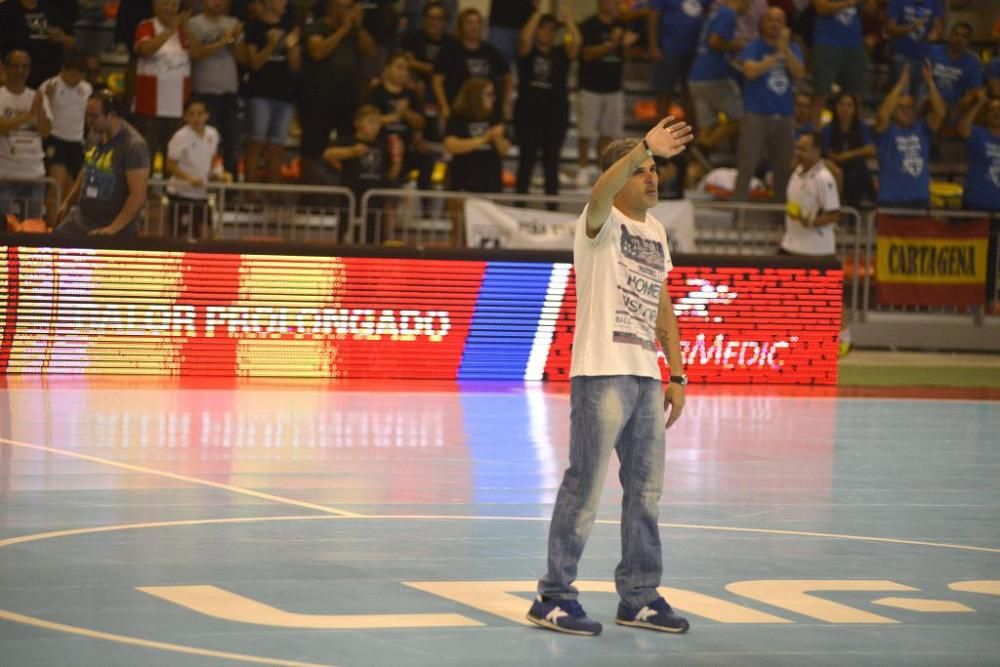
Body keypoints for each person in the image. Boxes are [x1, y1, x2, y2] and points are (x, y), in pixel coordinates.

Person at [525, 115, 694, 637]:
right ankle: (554, 596)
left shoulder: (657, 231)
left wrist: (678, 374)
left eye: (655, 170)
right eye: (642, 170)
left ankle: (639, 596)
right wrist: (643, 144)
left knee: (645, 491)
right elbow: (600, 191)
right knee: (586, 487)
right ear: (621, 178)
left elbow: (662, 301)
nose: (653, 177)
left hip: (645, 375)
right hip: (600, 373)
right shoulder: (598, 222)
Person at [733, 7, 806, 203]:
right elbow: (750, 71)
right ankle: (738, 212)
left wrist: (785, 50)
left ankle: (780, 215)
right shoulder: (753, 47)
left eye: (779, 21)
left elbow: (799, 73)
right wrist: (775, 57)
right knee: (747, 165)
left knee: (783, 168)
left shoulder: (793, 49)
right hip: (756, 114)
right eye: (770, 20)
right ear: (763, 24)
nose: (774, 24)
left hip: (784, 115)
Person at [301, 0, 377, 184]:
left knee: (349, 147)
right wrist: (343, 29)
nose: (349, 11)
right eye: (345, 6)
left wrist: (357, 28)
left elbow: (370, 51)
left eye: (352, 6)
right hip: (319, 99)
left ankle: (346, 193)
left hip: (349, 100)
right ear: (332, 6)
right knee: (313, 149)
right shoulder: (317, 28)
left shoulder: (356, 31)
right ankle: (310, 195)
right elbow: (318, 52)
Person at [54, 91, 150, 237]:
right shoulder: (95, 135)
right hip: (82, 220)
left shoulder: (133, 145)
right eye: (87, 115)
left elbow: (138, 196)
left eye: (94, 116)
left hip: (114, 227)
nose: (89, 121)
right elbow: (86, 170)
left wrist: (113, 228)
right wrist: (67, 202)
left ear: (110, 115)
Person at [514, 8, 580, 200]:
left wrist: (567, 21)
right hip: (528, 114)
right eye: (543, 28)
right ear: (537, 29)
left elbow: (576, 42)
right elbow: (524, 39)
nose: (548, 33)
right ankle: (520, 208)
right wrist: (537, 13)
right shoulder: (527, 52)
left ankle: (552, 210)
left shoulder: (561, 53)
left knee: (551, 164)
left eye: (552, 29)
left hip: (555, 116)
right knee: (526, 161)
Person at [576, 0, 639, 186]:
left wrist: (625, 46)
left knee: (608, 133)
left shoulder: (623, 26)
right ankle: (583, 168)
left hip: (614, 87)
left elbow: (625, 57)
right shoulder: (589, 25)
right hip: (590, 86)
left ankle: (601, 169)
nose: (615, 6)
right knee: (586, 132)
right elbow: (586, 53)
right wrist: (613, 43)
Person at [321, 104, 403, 242]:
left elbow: (391, 174)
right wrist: (352, 151)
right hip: (352, 197)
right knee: (346, 237)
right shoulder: (347, 141)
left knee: (375, 239)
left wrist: (397, 158)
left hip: (375, 200)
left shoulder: (382, 144)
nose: (375, 126)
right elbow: (327, 154)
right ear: (358, 123)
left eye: (378, 123)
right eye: (371, 122)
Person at [243, 0, 301, 183]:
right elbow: (254, 63)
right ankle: (250, 194)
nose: (285, 3)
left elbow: (295, 65)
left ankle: (273, 194)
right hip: (260, 93)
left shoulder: (290, 25)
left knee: (278, 147)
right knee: (257, 143)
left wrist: (291, 49)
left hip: (285, 94)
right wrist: (270, 45)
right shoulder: (254, 26)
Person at [873, 62, 945, 209]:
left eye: (910, 107)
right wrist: (900, 85)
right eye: (901, 107)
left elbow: (940, 113)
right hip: (891, 201)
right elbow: (882, 114)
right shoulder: (886, 131)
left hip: (920, 200)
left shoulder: (922, 129)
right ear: (893, 109)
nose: (906, 111)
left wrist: (930, 83)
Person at [187, 0, 244, 177]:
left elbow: (242, 58)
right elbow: (196, 52)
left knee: (232, 144)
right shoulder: (193, 23)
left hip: (229, 91)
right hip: (203, 92)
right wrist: (225, 39)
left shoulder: (233, 23)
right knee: (203, 144)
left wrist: (234, 41)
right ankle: (201, 186)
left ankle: (231, 194)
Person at [133, 0, 192, 165]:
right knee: (146, 155)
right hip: (150, 105)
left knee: (175, 156)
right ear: (155, 5)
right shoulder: (146, 26)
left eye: (174, 5)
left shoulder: (184, 30)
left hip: (179, 105)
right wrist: (170, 30)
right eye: (165, 4)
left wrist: (186, 29)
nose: (169, 9)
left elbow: (197, 53)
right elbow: (145, 50)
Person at [688, 0, 747, 159]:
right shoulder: (728, 14)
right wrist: (737, 45)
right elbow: (714, 41)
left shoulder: (717, 12)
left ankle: (693, 170)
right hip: (713, 76)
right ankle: (703, 148)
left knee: (707, 127)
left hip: (696, 76)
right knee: (742, 119)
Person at [432, 8, 511, 125]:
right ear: (461, 26)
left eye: (478, 23)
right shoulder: (449, 50)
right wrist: (444, 105)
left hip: (488, 111)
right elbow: (437, 79)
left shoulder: (491, 51)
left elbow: (508, 76)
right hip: (460, 110)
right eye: (469, 23)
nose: (474, 27)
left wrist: (506, 103)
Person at [0, 50, 53, 223]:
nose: (20, 71)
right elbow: (2, 127)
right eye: (16, 66)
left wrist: (41, 112)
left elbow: (45, 131)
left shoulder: (37, 96)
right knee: (4, 225)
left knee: (33, 227)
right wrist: (29, 115)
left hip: (34, 172)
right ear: (6, 68)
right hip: (6, 173)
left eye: (25, 67)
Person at [41, 51, 91, 213]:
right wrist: (47, 97)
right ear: (63, 70)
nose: (74, 77)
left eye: (79, 74)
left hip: (76, 143)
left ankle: (62, 229)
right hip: (55, 139)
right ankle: (50, 227)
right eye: (71, 72)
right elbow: (41, 112)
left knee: (71, 189)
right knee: (58, 183)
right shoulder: (50, 85)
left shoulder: (87, 89)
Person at [166, 97, 221, 238]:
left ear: (207, 115)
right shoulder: (180, 137)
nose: (196, 118)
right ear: (185, 117)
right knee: (181, 236)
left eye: (200, 113)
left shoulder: (212, 134)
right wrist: (191, 179)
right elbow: (170, 165)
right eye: (191, 114)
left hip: (201, 194)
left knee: (206, 234)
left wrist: (217, 173)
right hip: (181, 194)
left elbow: (213, 158)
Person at [443, 77, 509, 195]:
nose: (493, 99)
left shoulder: (494, 117)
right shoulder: (458, 117)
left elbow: (504, 150)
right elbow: (451, 145)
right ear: (475, 95)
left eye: (493, 94)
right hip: (463, 179)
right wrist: (484, 139)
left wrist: (497, 138)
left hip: (491, 180)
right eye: (488, 94)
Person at [646, 0, 711, 118]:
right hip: (668, 48)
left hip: (694, 51)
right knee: (664, 92)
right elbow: (653, 16)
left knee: (691, 93)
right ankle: (659, 130)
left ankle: (692, 132)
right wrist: (653, 46)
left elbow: (708, 14)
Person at [782, 131, 841, 256]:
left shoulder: (824, 178)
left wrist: (810, 222)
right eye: (797, 148)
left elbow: (833, 215)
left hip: (816, 250)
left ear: (816, 151)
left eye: (803, 150)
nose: (797, 153)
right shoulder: (796, 171)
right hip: (791, 244)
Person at [0, 0, 77, 89]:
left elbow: (72, 43)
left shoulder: (52, 8)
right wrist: (2, 73)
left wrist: (62, 38)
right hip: (16, 78)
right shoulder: (5, 10)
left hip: (50, 82)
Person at [810, 0, 866, 120]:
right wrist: (847, 3)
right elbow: (820, 7)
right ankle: (812, 135)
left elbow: (870, 10)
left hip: (854, 44)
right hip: (827, 42)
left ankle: (857, 136)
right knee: (820, 95)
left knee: (856, 98)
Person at [821, 91, 875, 207]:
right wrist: (853, 155)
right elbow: (829, 154)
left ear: (855, 109)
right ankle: (874, 198)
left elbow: (871, 149)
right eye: (841, 104)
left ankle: (852, 211)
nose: (845, 109)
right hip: (834, 169)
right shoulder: (828, 129)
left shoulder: (861, 127)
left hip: (853, 172)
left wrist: (847, 155)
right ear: (835, 107)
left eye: (849, 105)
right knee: (858, 163)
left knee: (854, 174)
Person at [927, 23, 984, 116]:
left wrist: (966, 100)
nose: (959, 39)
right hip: (929, 98)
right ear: (950, 36)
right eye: (956, 34)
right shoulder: (933, 51)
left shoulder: (973, 62)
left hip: (953, 105)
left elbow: (975, 89)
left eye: (964, 36)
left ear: (969, 41)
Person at [957, 91, 1000, 213]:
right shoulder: (978, 133)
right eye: (992, 110)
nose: (997, 112)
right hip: (976, 204)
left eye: (999, 109)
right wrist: (979, 104)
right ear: (986, 115)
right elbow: (962, 128)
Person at [885, 0, 942, 91]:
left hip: (924, 56)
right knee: (902, 96)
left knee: (920, 97)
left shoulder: (934, 2)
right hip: (902, 55)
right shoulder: (897, 1)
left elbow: (937, 27)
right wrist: (911, 27)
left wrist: (935, 34)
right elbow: (890, 28)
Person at [487, 0, 536, 68]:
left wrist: (534, 16)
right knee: (499, 68)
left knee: (526, 69)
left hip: (525, 24)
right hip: (500, 24)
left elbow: (536, 4)